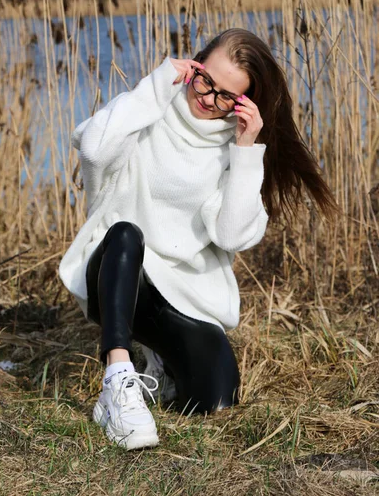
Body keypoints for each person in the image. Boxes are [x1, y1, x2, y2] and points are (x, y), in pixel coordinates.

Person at [59, 28, 336, 451]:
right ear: (194, 65)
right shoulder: (148, 108)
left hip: (179, 294)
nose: (208, 98)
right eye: (206, 80)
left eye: (226, 96)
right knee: (126, 234)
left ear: (241, 103)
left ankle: (160, 368)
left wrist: (246, 149)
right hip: (116, 271)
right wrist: (154, 83)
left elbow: (231, 236)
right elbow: (94, 150)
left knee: (217, 399)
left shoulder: (230, 149)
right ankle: (117, 379)